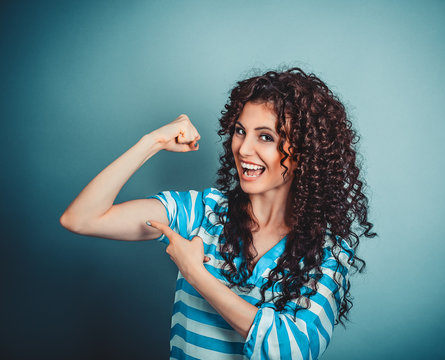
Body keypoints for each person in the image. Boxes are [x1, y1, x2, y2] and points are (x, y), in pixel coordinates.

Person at [60, 67, 376, 360]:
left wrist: (197, 275)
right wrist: (151, 142)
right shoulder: (201, 213)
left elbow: (292, 350)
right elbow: (82, 218)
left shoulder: (326, 253)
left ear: (303, 153)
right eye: (240, 131)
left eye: (265, 136)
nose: (243, 149)